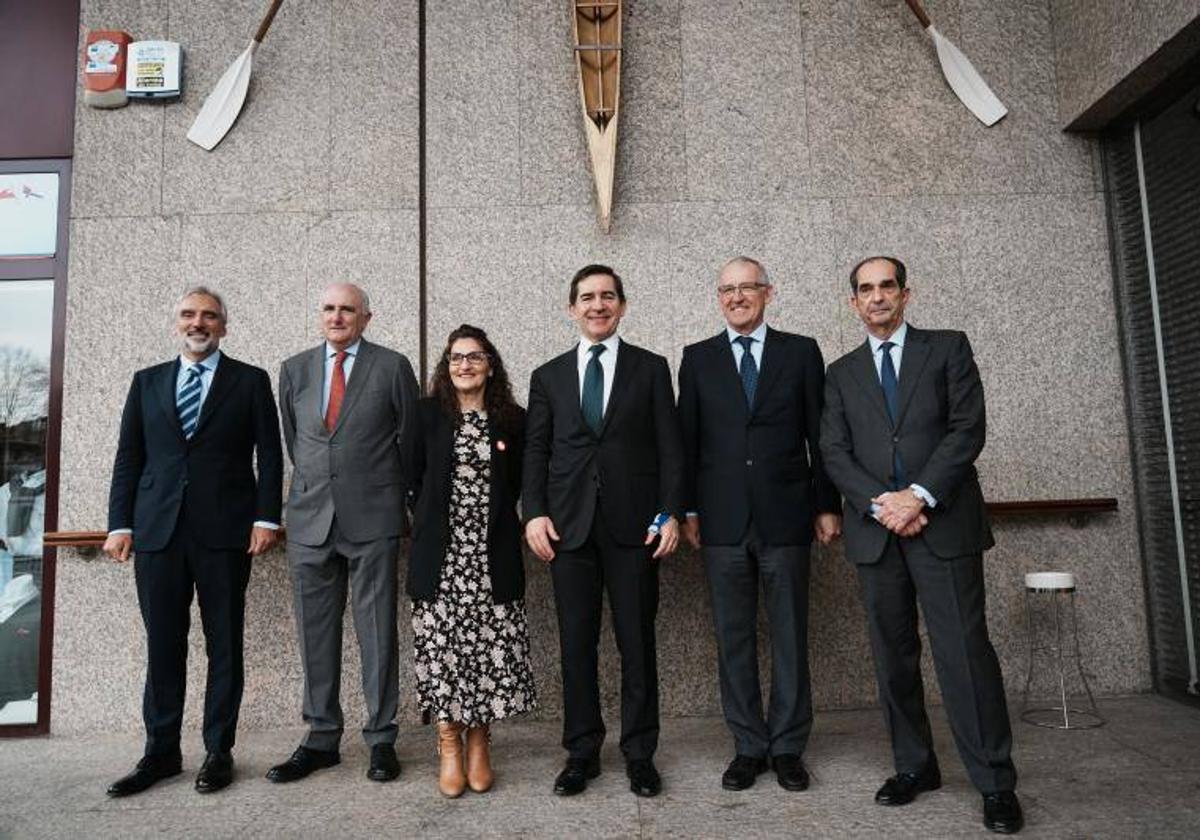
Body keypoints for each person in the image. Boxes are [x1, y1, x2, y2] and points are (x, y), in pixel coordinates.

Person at [819, 257, 1022, 834]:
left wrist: (920, 496)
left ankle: (994, 781)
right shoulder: (840, 373)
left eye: (887, 286)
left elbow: (967, 428)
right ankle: (915, 766)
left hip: (944, 527)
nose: (877, 297)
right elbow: (834, 451)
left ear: (907, 295)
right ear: (853, 303)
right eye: (866, 289)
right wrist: (884, 505)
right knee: (893, 659)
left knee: (964, 653)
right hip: (877, 533)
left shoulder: (949, 348)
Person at [102, 287, 283, 797]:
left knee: (224, 643)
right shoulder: (147, 382)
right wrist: (121, 524)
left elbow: (269, 455)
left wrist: (267, 516)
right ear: (176, 323)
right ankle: (160, 752)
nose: (197, 323)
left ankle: (218, 751)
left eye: (208, 316)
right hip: (157, 534)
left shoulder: (249, 381)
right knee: (164, 646)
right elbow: (128, 458)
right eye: (188, 314)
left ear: (224, 326)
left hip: (225, 532)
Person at [677, 256, 842, 793]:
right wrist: (691, 510)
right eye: (727, 289)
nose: (737, 297)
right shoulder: (697, 359)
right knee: (734, 638)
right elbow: (687, 444)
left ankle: (789, 746)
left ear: (769, 292)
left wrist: (826, 504)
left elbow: (821, 438)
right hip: (722, 521)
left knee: (791, 635)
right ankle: (749, 745)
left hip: (787, 516)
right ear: (717, 297)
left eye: (748, 287)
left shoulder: (801, 352)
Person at [523, 264, 684, 799]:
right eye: (587, 297)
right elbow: (538, 451)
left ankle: (640, 753)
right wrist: (534, 513)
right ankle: (582, 752)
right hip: (568, 530)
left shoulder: (651, 368)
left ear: (622, 305)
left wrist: (671, 513)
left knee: (637, 643)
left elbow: (670, 449)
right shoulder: (548, 376)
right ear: (572, 308)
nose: (598, 305)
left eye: (608, 296)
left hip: (635, 528)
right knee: (577, 645)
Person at [270, 283, 419, 785]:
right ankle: (321, 738)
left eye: (347, 310)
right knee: (315, 633)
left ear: (366, 317)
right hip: (311, 520)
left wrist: (397, 499)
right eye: (330, 308)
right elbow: (297, 442)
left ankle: (381, 738)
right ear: (320, 315)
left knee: (377, 630)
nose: (337, 317)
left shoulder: (392, 366)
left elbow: (410, 440)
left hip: (372, 519)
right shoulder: (294, 370)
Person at [407, 324, 536, 797]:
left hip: (492, 557)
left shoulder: (512, 421)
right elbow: (412, 479)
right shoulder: (425, 415)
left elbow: (519, 483)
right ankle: (448, 743)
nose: (464, 365)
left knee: (486, 651)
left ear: (490, 365)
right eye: (456, 358)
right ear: (446, 366)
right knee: (444, 653)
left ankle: (480, 740)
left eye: (475, 357)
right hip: (440, 560)